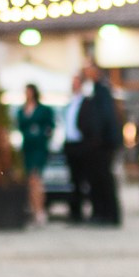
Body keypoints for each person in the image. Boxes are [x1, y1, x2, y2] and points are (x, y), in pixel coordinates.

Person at [79, 62, 123, 226]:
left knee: (104, 180)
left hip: (102, 145)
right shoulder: (91, 90)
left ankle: (109, 214)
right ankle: (100, 213)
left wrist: (97, 138)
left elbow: (104, 117)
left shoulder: (102, 91)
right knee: (95, 180)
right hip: (93, 145)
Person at [16, 82, 56, 226]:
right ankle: (34, 210)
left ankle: (39, 211)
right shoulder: (21, 110)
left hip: (39, 146)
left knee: (36, 178)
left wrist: (44, 136)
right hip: (27, 147)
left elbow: (50, 126)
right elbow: (20, 126)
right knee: (30, 180)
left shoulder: (43, 109)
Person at [60, 72, 88, 224]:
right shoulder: (70, 102)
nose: (73, 85)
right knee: (72, 180)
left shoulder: (85, 101)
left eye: (76, 82)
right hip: (70, 143)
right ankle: (74, 211)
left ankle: (81, 211)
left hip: (81, 143)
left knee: (81, 179)